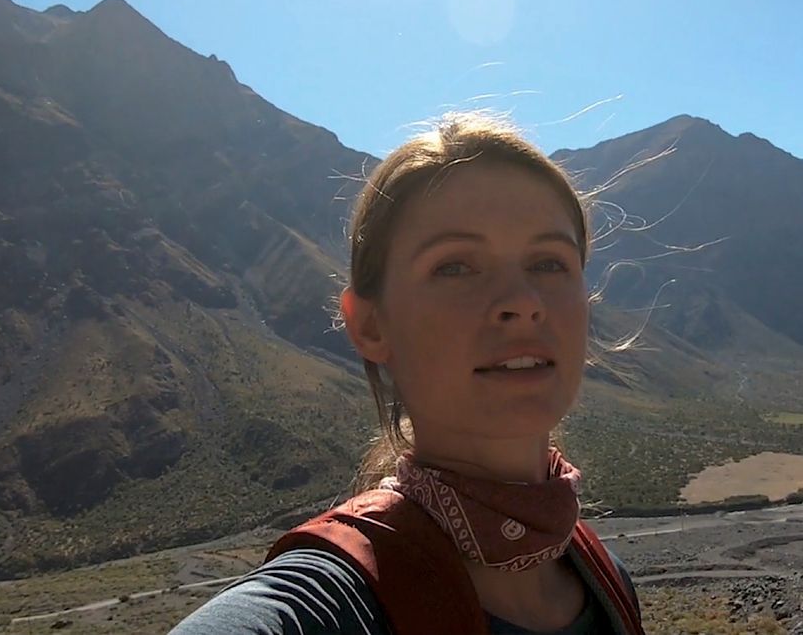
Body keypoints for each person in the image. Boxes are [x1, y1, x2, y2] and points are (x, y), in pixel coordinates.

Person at [171, 113, 644, 635]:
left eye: (550, 263)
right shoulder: (330, 599)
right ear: (371, 325)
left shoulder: (606, 579)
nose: (523, 302)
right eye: (455, 266)